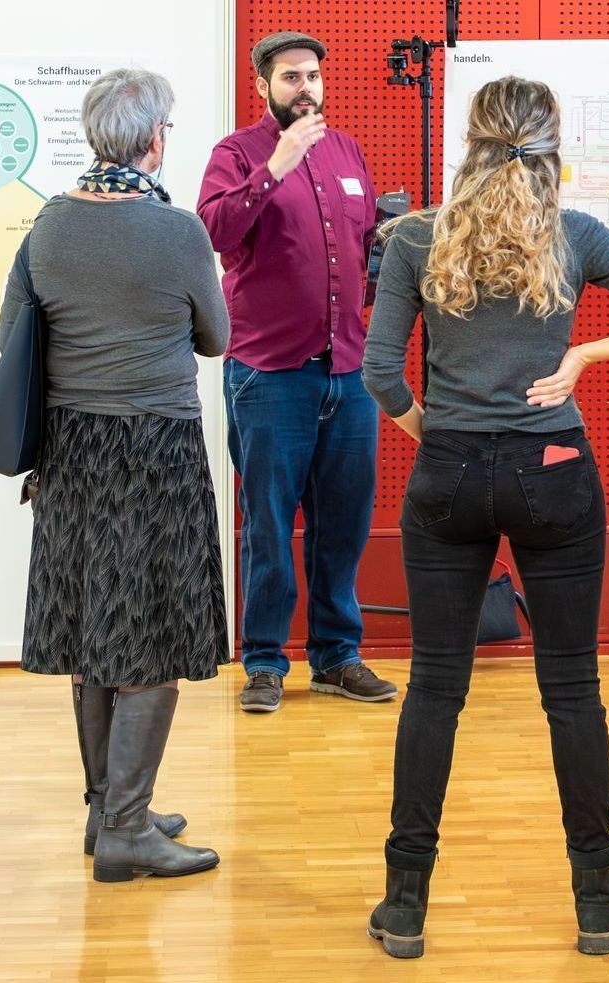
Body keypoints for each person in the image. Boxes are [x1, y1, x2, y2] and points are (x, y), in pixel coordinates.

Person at [361, 76, 609, 958]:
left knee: (434, 691)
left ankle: (405, 902)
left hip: (447, 470)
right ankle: (597, 899)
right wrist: (585, 352)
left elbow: (379, 372)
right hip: (554, 468)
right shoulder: (576, 235)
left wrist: (430, 429)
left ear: (470, 142)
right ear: (550, 144)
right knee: (572, 690)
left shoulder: (416, 236)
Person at [1, 68, 230, 882]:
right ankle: (129, 828)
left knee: (95, 633)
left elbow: (14, 336)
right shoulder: (178, 234)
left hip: (71, 453)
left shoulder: (49, 228)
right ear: (155, 138)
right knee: (152, 633)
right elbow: (215, 337)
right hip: (155, 451)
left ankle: (108, 808)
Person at [197, 31, 396, 713]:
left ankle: (338, 655)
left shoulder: (346, 151)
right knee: (269, 522)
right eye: (290, 78)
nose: (305, 88)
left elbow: (362, 241)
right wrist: (275, 167)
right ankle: (262, 659)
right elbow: (216, 234)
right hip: (268, 372)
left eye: (312, 75)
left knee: (344, 520)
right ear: (263, 85)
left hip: (348, 368)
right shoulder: (236, 154)